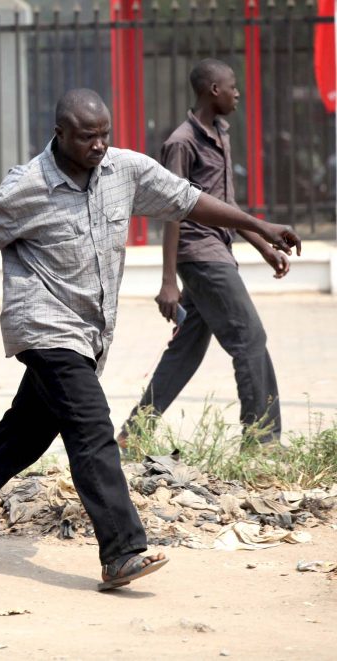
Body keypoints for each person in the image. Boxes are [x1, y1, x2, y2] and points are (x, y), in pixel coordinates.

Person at [0, 89, 300, 591]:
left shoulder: (125, 169)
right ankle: (121, 550)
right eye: (87, 136)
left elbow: (189, 200)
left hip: (90, 332)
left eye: (104, 134)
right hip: (44, 326)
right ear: (60, 133)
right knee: (91, 429)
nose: (98, 145)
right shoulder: (28, 184)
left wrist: (257, 228)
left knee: (24, 436)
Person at [117, 59, 287, 450]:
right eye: (232, 86)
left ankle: (132, 435)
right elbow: (172, 209)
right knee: (249, 338)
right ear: (213, 90)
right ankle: (261, 441)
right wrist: (168, 282)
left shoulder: (221, 133)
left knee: (186, 349)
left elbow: (227, 205)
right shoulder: (181, 142)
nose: (238, 93)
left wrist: (264, 247)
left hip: (217, 249)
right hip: (200, 255)